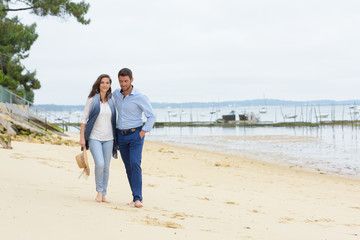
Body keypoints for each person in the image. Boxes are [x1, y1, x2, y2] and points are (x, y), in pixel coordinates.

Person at [113, 68, 156, 208]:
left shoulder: (140, 97)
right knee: (128, 167)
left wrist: (142, 133)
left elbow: (152, 116)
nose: (123, 84)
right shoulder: (116, 95)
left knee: (135, 163)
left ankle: (138, 198)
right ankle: (135, 196)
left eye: (126, 81)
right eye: (120, 81)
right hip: (121, 135)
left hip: (136, 134)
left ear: (132, 80)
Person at [80, 74, 117, 203]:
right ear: (99, 84)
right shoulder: (92, 99)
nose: (105, 85)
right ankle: (99, 191)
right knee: (100, 164)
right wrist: (82, 138)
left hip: (109, 138)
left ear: (110, 85)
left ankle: (104, 193)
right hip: (94, 137)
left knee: (106, 166)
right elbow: (84, 118)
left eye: (107, 83)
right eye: (103, 82)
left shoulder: (112, 100)